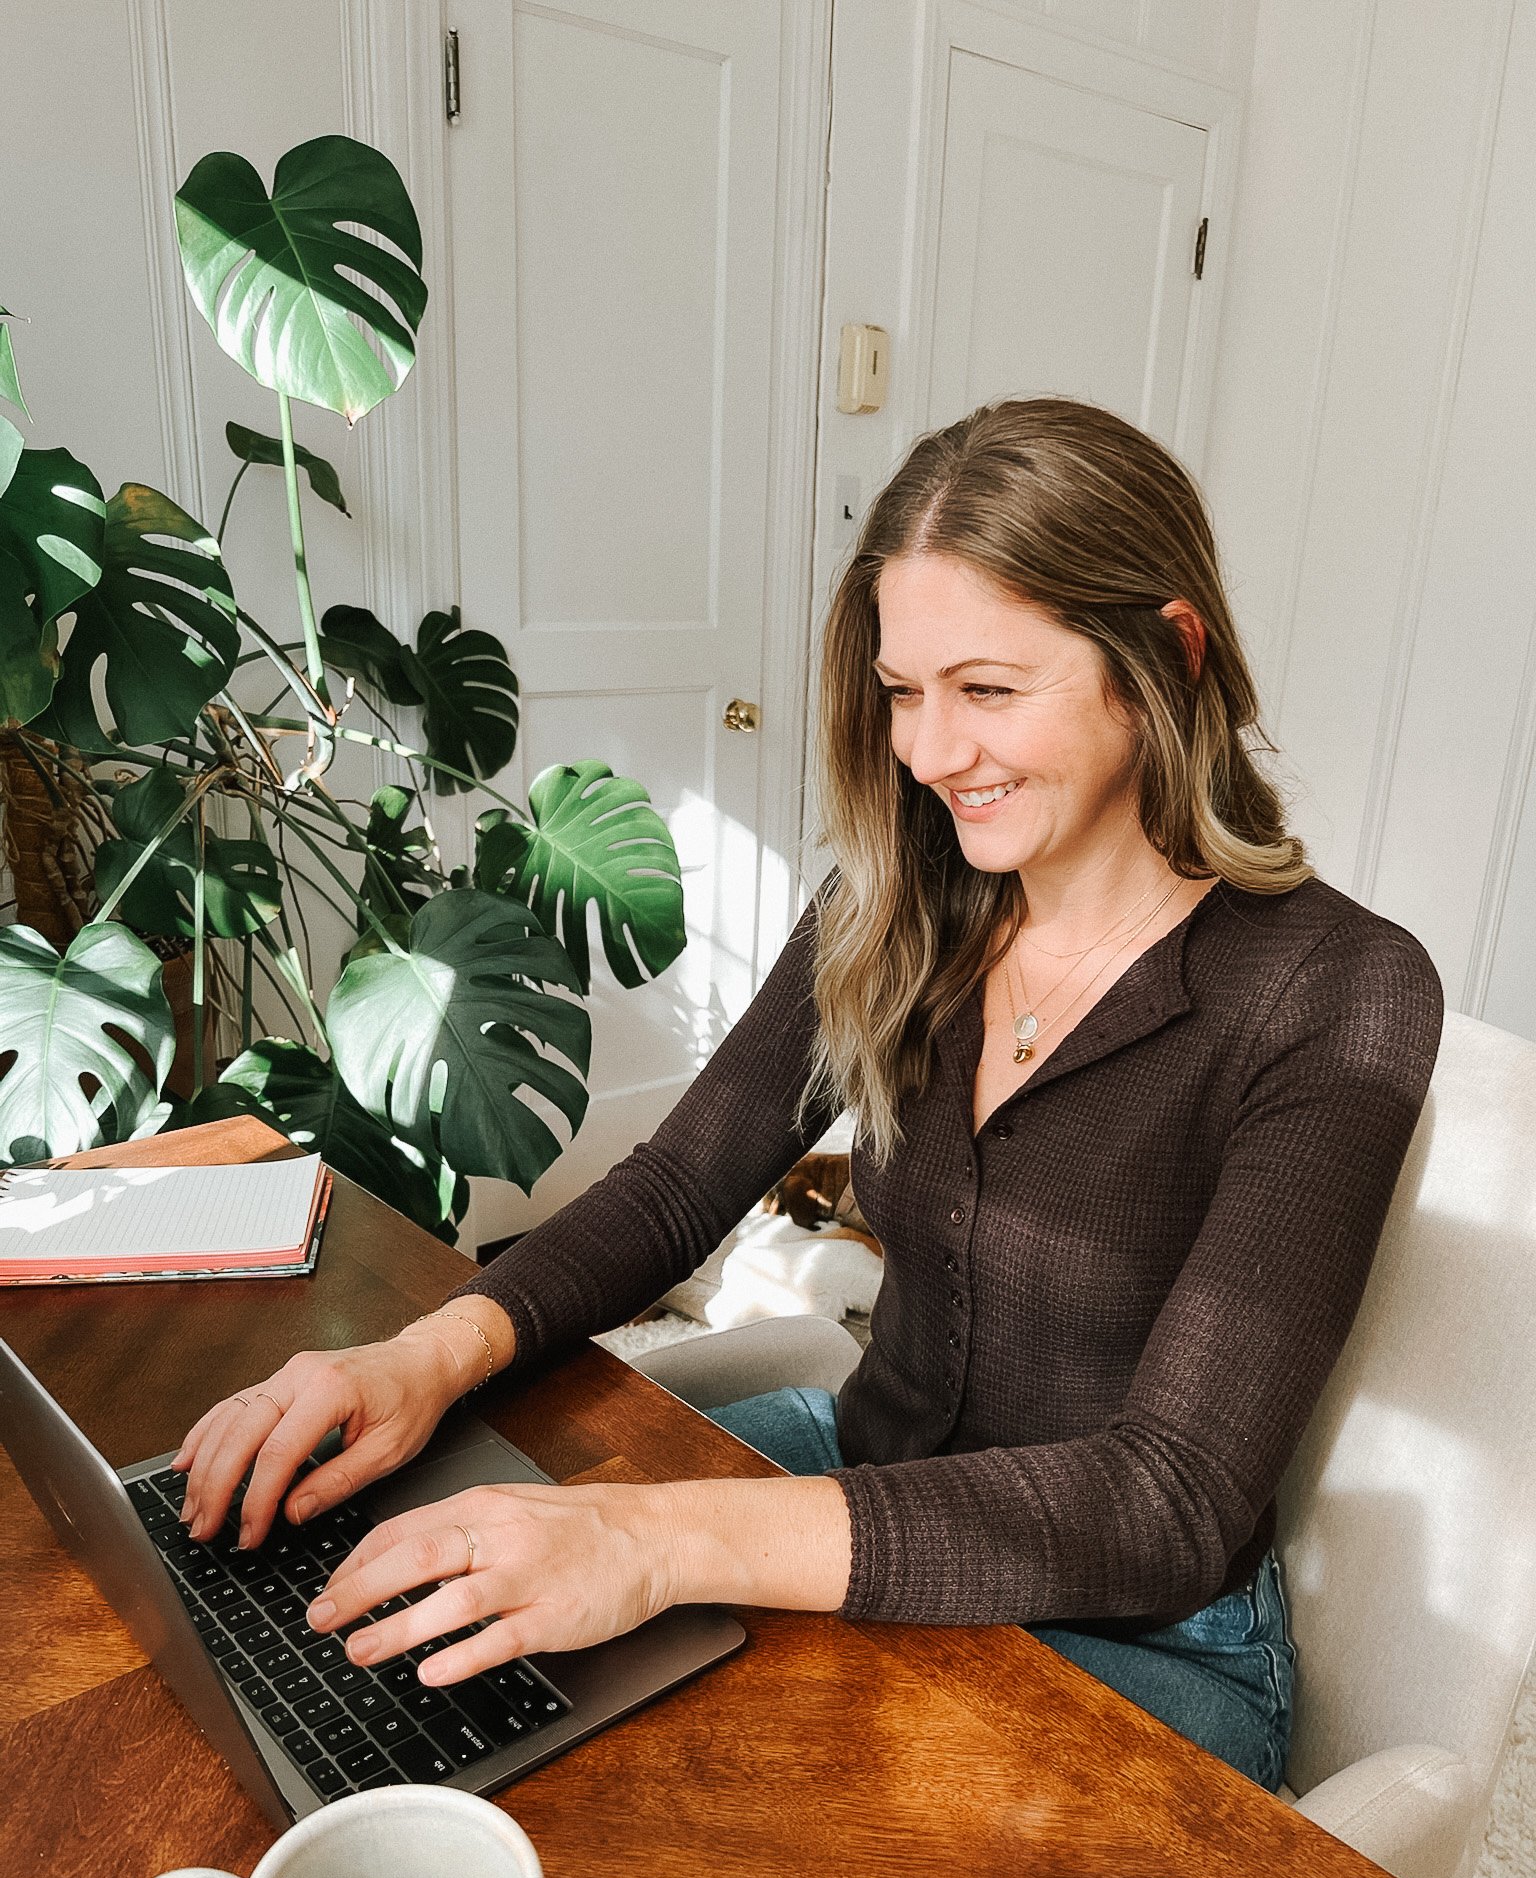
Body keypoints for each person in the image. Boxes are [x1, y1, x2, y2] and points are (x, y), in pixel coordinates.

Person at [175, 397, 1443, 1794]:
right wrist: (414, 1359)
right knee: (427, 1620)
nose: (929, 752)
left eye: (990, 690)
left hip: (1144, 1635)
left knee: (695, 1802)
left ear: (1167, 657)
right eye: (905, 692)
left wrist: (657, 1540)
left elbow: (1165, 1500)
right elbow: (679, 1187)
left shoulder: (1338, 989)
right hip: (859, 1475)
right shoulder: (895, 905)